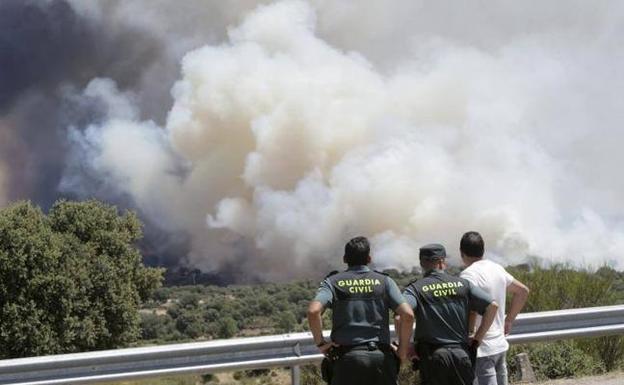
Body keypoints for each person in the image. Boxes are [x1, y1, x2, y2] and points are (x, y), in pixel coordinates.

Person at [307, 236, 415, 385]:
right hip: (381, 360)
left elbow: (313, 312)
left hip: (347, 361)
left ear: (345, 259)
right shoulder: (384, 282)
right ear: (369, 258)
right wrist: (402, 351)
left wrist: (320, 343)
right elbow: (408, 315)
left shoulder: (333, 282)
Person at [401, 243, 499, 385]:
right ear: (441, 262)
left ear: (422, 263)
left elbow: (403, 314)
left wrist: (406, 346)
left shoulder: (415, 289)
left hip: (433, 358)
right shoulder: (463, 284)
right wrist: (477, 340)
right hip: (462, 355)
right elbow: (493, 306)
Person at [459, 231, 530, 385]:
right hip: (499, 345)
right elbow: (523, 291)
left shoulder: (467, 276)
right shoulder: (496, 268)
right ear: (482, 250)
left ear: (462, 253)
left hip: (481, 349)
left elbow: (471, 310)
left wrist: (471, 335)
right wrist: (509, 320)